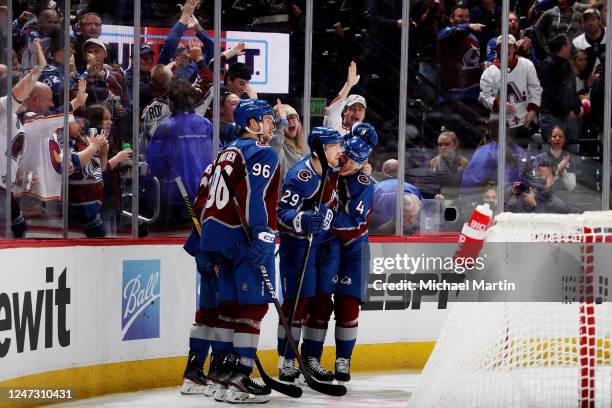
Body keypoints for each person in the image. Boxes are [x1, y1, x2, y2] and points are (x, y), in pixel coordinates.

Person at [199, 99, 280, 403]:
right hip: (242, 239)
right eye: (267, 119)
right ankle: (241, 380)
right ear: (252, 124)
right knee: (252, 310)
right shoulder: (261, 152)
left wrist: (205, 241)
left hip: (217, 239)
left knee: (229, 309)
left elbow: (206, 197)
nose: (272, 124)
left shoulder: (224, 152)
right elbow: (255, 198)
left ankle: (220, 377)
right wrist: (261, 235)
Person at [300, 123, 377, 384]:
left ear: (364, 162)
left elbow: (355, 222)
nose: (345, 164)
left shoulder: (365, 183)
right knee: (320, 303)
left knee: (348, 306)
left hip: (354, 250)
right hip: (328, 248)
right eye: (344, 157)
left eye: (353, 162)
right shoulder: (329, 168)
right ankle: (310, 357)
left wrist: (327, 220)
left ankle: (343, 359)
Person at [276, 126, 343, 383]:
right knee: (297, 305)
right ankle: (287, 361)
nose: (339, 151)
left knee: (322, 304)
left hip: (322, 246)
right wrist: (301, 219)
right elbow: (282, 214)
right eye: (334, 146)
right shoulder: (300, 177)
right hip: (298, 247)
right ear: (319, 151)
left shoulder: (333, 166)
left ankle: (311, 358)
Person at [147, 79, 213, 230]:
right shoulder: (206, 124)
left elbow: (155, 164)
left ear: (172, 102)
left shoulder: (166, 127)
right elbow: (215, 157)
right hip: (202, 196)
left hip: (174, 199)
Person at [479, 34, 541, 145]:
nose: (505, 49)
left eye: (509, 46)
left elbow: (535, 88)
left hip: (523, 122)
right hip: (499, 125)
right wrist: (499, 103)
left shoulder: (527, 65)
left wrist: (533, 110)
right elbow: (484, 97)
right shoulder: (489, 72)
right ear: (497, 50)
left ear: (515, 48)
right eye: (501, 47)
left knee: (522, 158)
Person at [539, 33, 584, 142]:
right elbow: (551, 93)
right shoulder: (548, 65)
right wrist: (567, 112)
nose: (570, 47)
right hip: (552, 116)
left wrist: (578, 108)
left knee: (572, 150)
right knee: (552, 153)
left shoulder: (566, 65)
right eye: (569, 44)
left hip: (569, 116)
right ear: (563, 47)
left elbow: (572, 90)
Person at [437, 5, 484, 104]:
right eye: (460, 16)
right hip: (452, 94)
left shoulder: (473, 37)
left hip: (474, 94)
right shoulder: (445, 33)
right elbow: (456, 31)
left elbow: (473, 63)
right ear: (451, 18)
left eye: (467, 16)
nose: (464, 19)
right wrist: (468, 26)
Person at [369, 159, 423, 234]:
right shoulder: (412, 189)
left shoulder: (373, 189)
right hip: (406, 237)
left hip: (377, 237)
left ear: (383, 172)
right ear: (401, 172)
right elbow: (421, 213)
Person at [323, 61, 366, 136]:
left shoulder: (365, 135)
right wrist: (348, 85)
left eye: (360, 109)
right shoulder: (335, 128)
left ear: (364, 114)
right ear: (345, 111)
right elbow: (332, 111)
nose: (357, 112)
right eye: (353, 108)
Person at [271, 99, 309, 179]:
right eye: (286, 120)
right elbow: (275, 146)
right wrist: (279, 125)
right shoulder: (277, 144)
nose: (291, 122)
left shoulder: (303, 144)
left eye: (292, 118)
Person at [535, 126, 577, 193]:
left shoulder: (569, 159)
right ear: (549, 139)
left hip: (566, 198)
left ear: (564, 140)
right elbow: (542, 186)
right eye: (554, 136)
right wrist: (558, 172)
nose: (557, 139)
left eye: (560, 137)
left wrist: (563, 172)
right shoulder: (540, 158)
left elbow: (571, 187)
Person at [429, 131, 470, 199]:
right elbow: (429, 187)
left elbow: (469, 187)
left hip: (459, 201)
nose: (443, 147)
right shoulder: (433, 163)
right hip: (440, 201)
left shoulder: (465, 163)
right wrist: (436, 195)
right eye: (440, 144)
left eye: (447, 144)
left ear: (455, 145)